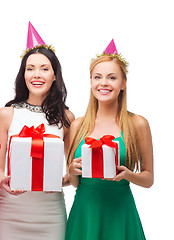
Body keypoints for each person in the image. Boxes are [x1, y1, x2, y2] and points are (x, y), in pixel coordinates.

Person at [0, 22, 75, 240]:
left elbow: (72, 172)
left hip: (51, 214)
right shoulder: (6, 114)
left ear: (55, 75)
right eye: (30, 68)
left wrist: (61, 181)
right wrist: (3, 182)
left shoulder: (67, 118)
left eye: (44, 68)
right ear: (23, 74)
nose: (36, 75)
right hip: (10, 213)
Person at [65, 39, 154, 240]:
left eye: (112, 77)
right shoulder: (78, 125)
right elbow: (76, 183)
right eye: (97, 77)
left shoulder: (138, 124)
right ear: (91, 82)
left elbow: (149, 179)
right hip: (85, 213)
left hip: (120, 212)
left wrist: (127, 175)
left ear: (123, 84)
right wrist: (71, 171)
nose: (103, 83)